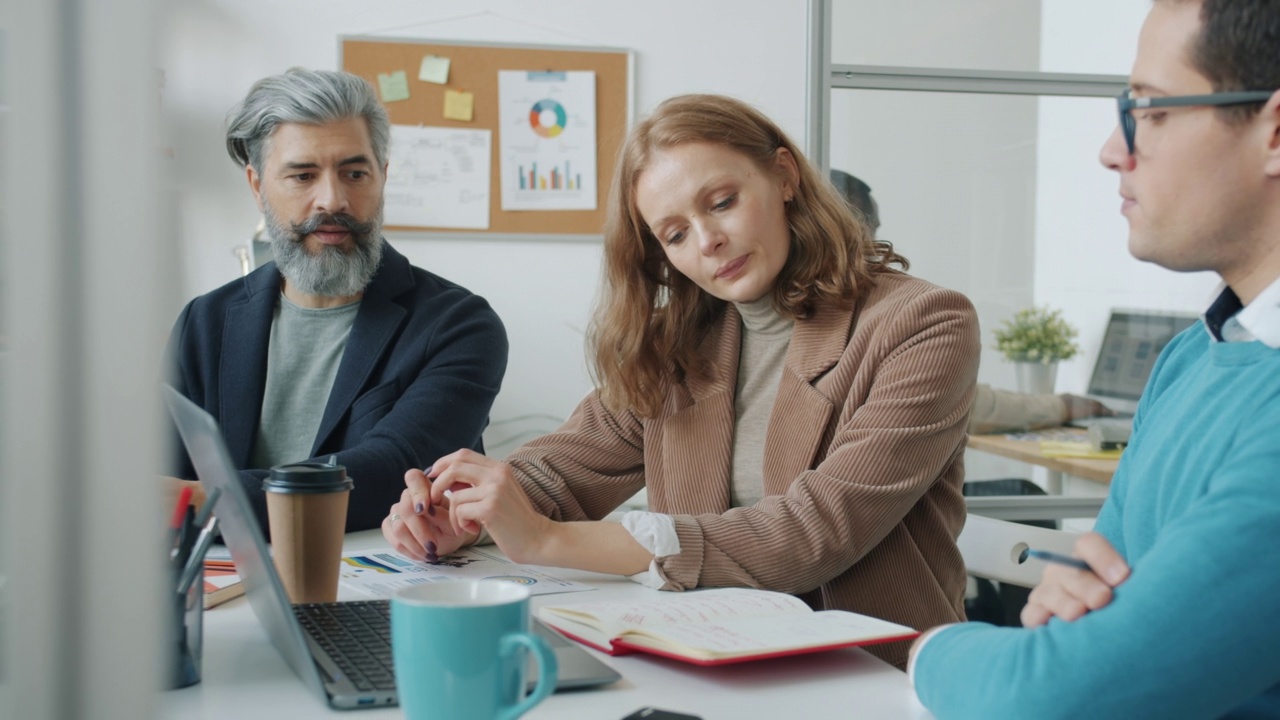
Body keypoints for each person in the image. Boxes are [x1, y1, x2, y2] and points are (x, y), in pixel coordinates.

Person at [383, 93, 982, 669]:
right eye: (674, 234)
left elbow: (811, 535)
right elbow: (562, 470)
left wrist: (542, 540)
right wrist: (461, 513)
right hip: (709, 657)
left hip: (871, 674)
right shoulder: (679, 341)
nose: (707, 241)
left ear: (784, 176)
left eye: (722, 201)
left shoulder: (922, 323)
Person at [911, 0, 1280, 716]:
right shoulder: (1192, 357)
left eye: (1149, 108)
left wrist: (926, 650)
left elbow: (1052, 696)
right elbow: (1079, 603)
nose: (1113, 148)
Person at [165, 68, 508, 533]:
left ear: (382, 178)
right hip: (227, 584)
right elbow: (161, 472)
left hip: (381, 586)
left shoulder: (459, 325)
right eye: (303, 175)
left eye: (355, 173)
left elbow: (392, 472)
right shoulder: (205, 323)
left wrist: (210, 500)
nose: (333, 199)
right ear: (257, 185)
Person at [831, 169, 1111, 435]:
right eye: (869, 231)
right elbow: (965, 404)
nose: (875, 246)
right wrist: (1061, 406)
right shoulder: (896, 314)